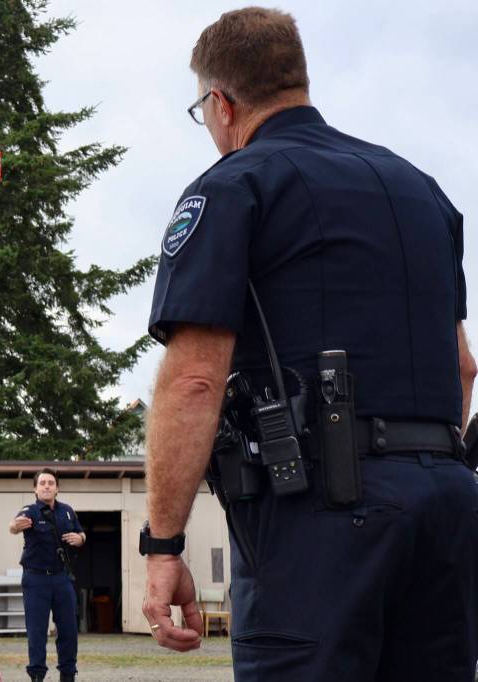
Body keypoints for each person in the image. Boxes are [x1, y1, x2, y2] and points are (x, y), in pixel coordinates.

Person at [140, 7, 476, 682]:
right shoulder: (421, 190)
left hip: (322, 521)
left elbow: (194, 382)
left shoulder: (234, 188)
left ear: (221, 103)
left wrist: (163, 545)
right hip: (449, 508)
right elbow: (463, 367)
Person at [10, 468, 85, 682]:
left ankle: (68, 675)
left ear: (57, 488)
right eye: (42, 483)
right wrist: (15, 526)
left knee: (69, 631)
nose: (46, 486)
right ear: (35, 488)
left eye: (51, 483)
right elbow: (13, 526)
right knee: (37, 633)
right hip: (36, 580)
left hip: (62, 578)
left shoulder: (68, 511)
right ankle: (36, 675)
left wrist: (81, 539)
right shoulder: (30, 511)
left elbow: (81, 533)